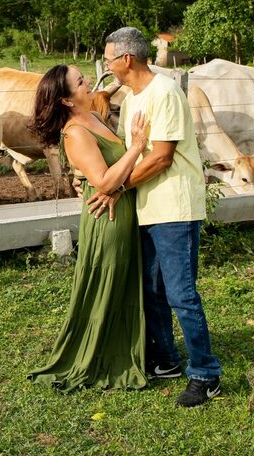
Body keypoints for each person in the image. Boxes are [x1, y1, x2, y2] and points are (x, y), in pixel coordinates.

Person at [86, 26, 223, 408]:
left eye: (109, 59)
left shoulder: (164, 93)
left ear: (126, 59)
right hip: (148, 208)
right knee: (153, 290)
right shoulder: (132, 99)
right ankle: (166, 360)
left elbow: (161, 157)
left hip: (174, 207)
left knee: (181, 295)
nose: (108, 66)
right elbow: (132, 155)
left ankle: (206, 374)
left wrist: (117, 188)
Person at [27, 64, 150, 392]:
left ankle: (124, 347)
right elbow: (105, 180)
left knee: (121, 282)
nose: (88, 83)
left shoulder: (93, 118)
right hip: (106, 217)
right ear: (67, 100)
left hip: (119, 209)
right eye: (80, 82)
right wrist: (137, 147)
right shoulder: (76, 132)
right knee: (106, 282)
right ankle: (100, 353)